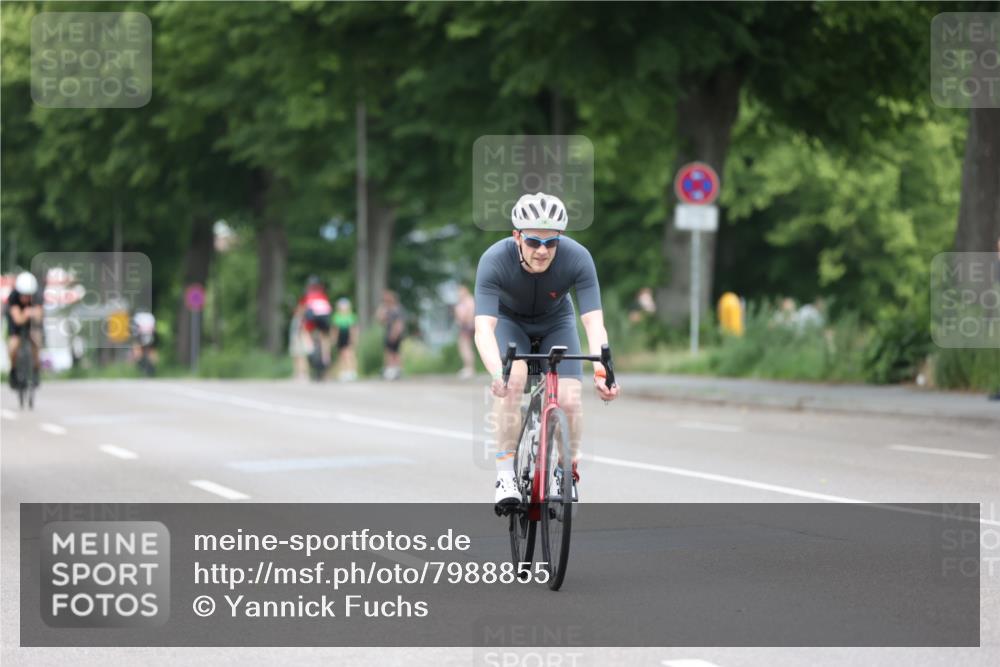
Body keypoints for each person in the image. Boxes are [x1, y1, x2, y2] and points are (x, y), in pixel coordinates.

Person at [473, 192, 620, 509]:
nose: (542, 251)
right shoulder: (494, 260)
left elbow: (594, 324)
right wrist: (496, 373)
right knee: (513, 382)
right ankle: (505, 475)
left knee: (569, 399)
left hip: (557, 322)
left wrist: (602, 372)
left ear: (561, 239)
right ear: (516, 236)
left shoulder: (578, 258)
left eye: (551, 243)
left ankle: (565, 472)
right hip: (511, 323)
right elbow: (483, 329)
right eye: (533, 242)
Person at [6, 272, 43, 389]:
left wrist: (30, 314)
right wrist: (28, 313)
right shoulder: (13, 296)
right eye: (24, 295)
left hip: (32, 324)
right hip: (16, 324)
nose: (26, 298)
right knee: (13, 346)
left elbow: (39, 316)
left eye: (29, 295)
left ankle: (36, 370)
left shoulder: (38, 295)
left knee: (37, 343)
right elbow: (18, 319)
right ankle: (13, 371)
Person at [295, 276, 333, 379]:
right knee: (324, 336)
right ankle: (326, 356)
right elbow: (329, 308)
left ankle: (310, 348)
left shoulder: (308, 294)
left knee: (306, 332)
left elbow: (303, 310)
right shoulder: (323, 295)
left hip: (312, 316)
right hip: (325, 316)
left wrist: (301, 322)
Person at [377, 290, 405, 380]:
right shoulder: (387, 309)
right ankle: (390, 370)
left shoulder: (397, 309)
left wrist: (395, 334)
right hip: (389, 332)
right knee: (389, 352)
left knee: (394, 352)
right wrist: (382, 308)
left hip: (394, 334)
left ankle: (396, 370)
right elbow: (380, 320)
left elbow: (399, 323)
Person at [333, 297, 359, 381]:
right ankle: (344, 371)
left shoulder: (351, 316)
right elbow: (336, 329)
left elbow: (353, 328)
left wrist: (353, 338)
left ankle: (352, 371)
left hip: (348, 336)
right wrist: (335, 338)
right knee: (342, 355)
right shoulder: (337, 316)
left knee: (349, 354)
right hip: (341, 336)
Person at [453, 284, 476, 379]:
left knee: (465, 347)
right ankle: (468, 368)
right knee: (464, 347)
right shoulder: (464, 301)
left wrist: (463, 319)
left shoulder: (469, 301)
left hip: (467, 326)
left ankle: (469, 368)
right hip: (466, 326)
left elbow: (469, 315)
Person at [131, 310, 158, 376]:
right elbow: (154, 328)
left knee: (137, 351)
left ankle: (143, 367)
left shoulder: (137, 316)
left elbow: (134, 328)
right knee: (150, 352)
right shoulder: (150, 316)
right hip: (149, 336)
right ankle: (151, 368)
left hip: (141, 336)